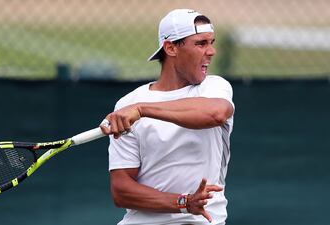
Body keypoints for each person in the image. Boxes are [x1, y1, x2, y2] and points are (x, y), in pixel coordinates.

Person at [100, 8, 235, 225]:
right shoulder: (126, 105)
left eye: (212, 42)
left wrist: (142, 110)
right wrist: (184, 202)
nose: (211, 51)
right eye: (201, 43)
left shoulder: (215, 87)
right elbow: (122, 190)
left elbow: (215, 114)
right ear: (171, 47)